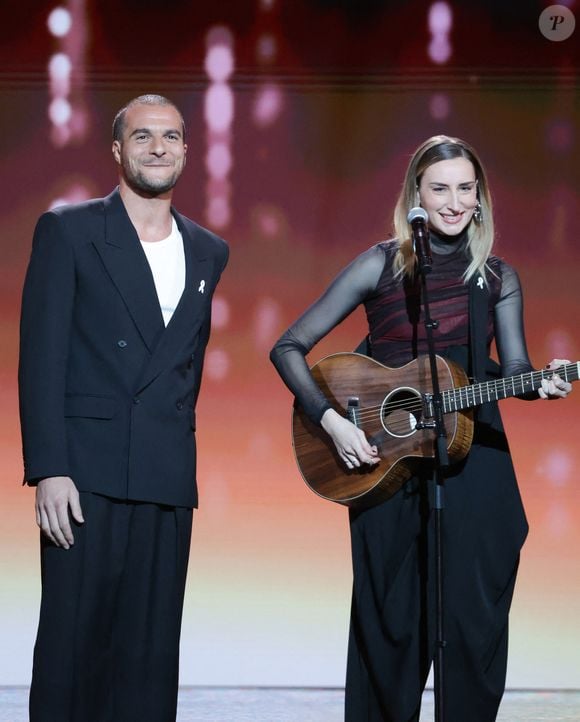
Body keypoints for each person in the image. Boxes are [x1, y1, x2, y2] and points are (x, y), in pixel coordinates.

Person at [270, 135, 572, 722]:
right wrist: (332, 422)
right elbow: (289, 348)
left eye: (466, 189)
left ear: (480, 198)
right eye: (440, 189)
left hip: (476, 471)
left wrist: (543, 381)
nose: (454, 202)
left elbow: (512, 372)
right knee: (390, 628)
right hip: (386, 468)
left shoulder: (498, 279)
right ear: (416, 195)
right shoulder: (380, 265)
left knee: (472, 627)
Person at [19, 94, 229, 722]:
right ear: (118, 150)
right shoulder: (71, 230)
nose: (157, 148)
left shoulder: (208, 251)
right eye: (143, 137)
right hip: (86, 473)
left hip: (166, 474)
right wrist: (49, 468)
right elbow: (41, 358)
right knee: (72, 647)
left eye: (170, 137)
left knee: (151, 650)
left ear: (187, 150)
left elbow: (185, 368)